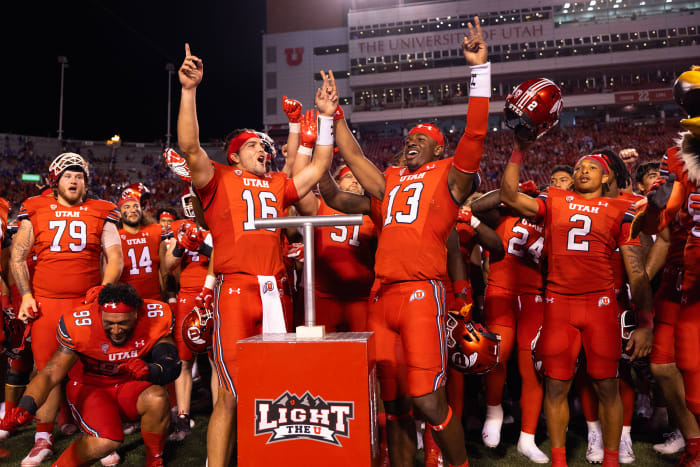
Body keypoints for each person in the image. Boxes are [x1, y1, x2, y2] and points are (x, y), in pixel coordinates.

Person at [323, 17, 489, 467]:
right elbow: (353, 157)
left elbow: (475, 134)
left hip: (421, 293)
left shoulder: (451, 178)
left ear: (439, 150)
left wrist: (479, 72)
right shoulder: (392, 179)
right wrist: (334, 117)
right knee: (393, 404)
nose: (411, 142)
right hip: (382, 297)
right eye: (409, 138)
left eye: (422, 139)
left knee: (429, 400)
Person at [176, 43, 338, 467]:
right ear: (234, 153)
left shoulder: (277, 185)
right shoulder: (218, 179)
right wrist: (190, 91)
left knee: (274, 385)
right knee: (228, 391)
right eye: (254, 147)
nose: (264, 152)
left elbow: (319, 167)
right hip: (235, 289)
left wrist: (323, 118)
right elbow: (190, 148)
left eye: (265, 149)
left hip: (275, 290)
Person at [500, 128, 654, 466]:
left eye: (592, 167)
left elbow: (636, 272)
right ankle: (559, 460)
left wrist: (645, 323)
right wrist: (518, 151)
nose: (582, 170)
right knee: (556, 387)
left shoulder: (621, 210)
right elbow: (509, 196)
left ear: (607, 175)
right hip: (559, 304)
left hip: (600, 304)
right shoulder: (554, 199)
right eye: (579, 166)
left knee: (607, 387)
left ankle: (612, 458)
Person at [8, 152, 124, 466]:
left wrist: (104, 288)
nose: (74, 180)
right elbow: (18, 256)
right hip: (46, 304)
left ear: (87, 181)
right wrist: (27, 296)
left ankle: (97, 432)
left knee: (90, 374)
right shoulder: (36, 207)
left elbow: (115, 257)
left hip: (85, 304)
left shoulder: (101, 210)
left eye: (79, 176)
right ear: (55, 180)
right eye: (68, 175)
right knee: (46, 371)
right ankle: (42, 437)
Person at [0, 283, 180, 467]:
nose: (116, 330)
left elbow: (172, 363)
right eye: (109, 323)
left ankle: (154, 461)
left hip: (129, 384)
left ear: (136, 314)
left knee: (157, 398)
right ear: (99, 313)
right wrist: (27, 404)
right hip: (91, 386)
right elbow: (51, 372)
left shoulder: (154, 316)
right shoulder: (81, 324)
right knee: (106, 441)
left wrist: (152, 370)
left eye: (122, 323)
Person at [637, 65, 700, 466]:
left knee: (694, 367)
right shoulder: (676, 155)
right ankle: (694, 440)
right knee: (663, 366)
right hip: (680, 271)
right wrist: (642, 277)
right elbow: (662, 227)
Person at [470, 181, 548, 463]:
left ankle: (527, 437)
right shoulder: (502, 215)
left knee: (532, 367)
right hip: (500, 291)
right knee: (497, 357)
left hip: (533, 297)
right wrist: (507, 193)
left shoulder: (549, 218)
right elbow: (477, 205)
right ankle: (494, 412)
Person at [118, 192, 172, 301]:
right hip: (126, 303)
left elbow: (165, 271)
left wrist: (170, 299)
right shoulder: (114, 237)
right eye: (127, 207)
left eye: (136, 206)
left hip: (155, 299)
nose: (133, 210)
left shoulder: (155, 231)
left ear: (141, 211)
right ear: (119, 213)